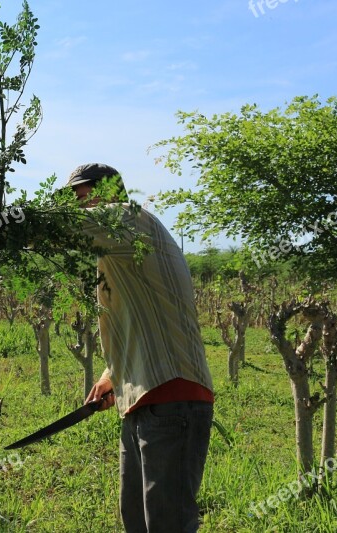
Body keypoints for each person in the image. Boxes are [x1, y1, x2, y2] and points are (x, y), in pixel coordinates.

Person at [73, 163, 214, 533]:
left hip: (172, 394)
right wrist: (112, 377)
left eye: (83, 197)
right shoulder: (115, 249)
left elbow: (59, 228)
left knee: (166, 525)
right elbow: (137, 319)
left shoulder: (128, 220)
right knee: (137, 521)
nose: (78, 207)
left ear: (111, 192)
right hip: (144, 401)